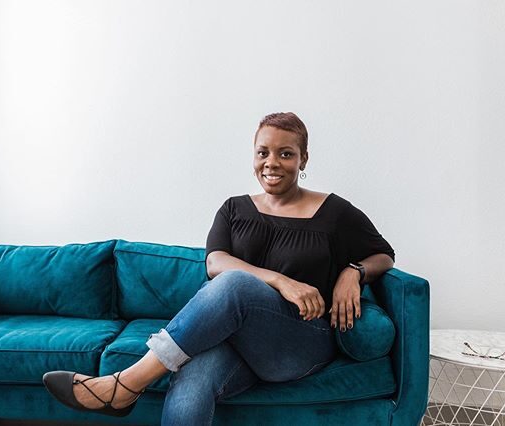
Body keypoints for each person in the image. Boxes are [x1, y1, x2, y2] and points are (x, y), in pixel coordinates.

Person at [42, 112, 396, 424]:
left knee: (236, 285)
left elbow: (383, 254)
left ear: (303, 159)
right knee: (192, 377)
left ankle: (126, 385)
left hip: (300, 340)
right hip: (237, 340)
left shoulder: (335, 213)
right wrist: (282, 281)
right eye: (263, 153)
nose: (272, 163)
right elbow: (215, 262)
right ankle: (127, 388)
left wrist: (354, 272)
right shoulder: (234, 209)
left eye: (286, 154)